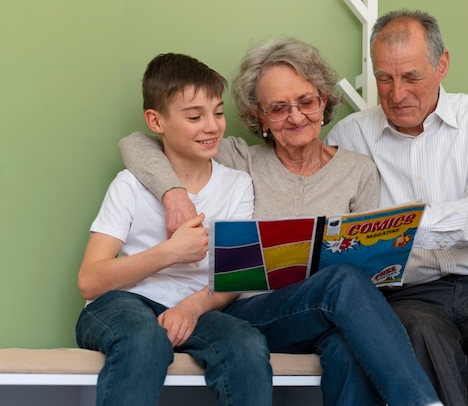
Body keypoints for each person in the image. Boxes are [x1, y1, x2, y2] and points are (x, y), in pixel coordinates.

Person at [120, 38, 442, 406]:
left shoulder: (358, 171)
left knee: (347, 346)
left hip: (324, 318)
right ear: (260, 117)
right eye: (278, 108)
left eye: (306, 102)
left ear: (323, 101)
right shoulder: (239, 158)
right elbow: (137, 143)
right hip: (250, 314)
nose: (296, 116)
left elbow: (367, 275)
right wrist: (173, 192)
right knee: (341, 280)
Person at [325, 9, 468, 406]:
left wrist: (398, 227)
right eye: (384, 78)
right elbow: (344, 234)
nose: (397, 94)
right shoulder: (350, 134)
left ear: (442, 64)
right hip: (407, 295)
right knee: (420, 338)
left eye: (412, 77)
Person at [75, 53, 273, 406]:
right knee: (142, 337)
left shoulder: (238, 185)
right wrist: (170, 252)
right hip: (121, 303)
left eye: (217, 112)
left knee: (246, 345)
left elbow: (237, 277)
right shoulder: (130, 185)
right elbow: (90, 280)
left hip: (198, 307)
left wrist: (191, 309)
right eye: (195, 116)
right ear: (156, 121)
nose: (212, 126)